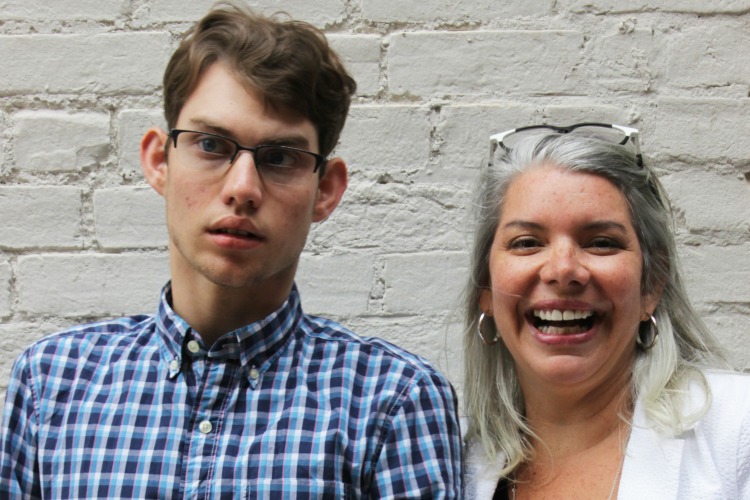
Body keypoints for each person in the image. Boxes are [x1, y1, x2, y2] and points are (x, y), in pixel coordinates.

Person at [0, 3, 462, 498]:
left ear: (324, 190)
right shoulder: (52, 383)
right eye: (211, 145)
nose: (242, 188)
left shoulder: (391, 400)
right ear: (160, 161)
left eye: (280, 157)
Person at [462, 123, 750, 499]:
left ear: (652, 285)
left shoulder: (737, 429)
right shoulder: (455, 463)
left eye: (601, 243)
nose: (563, 270)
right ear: (486, 287)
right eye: (528, 243)